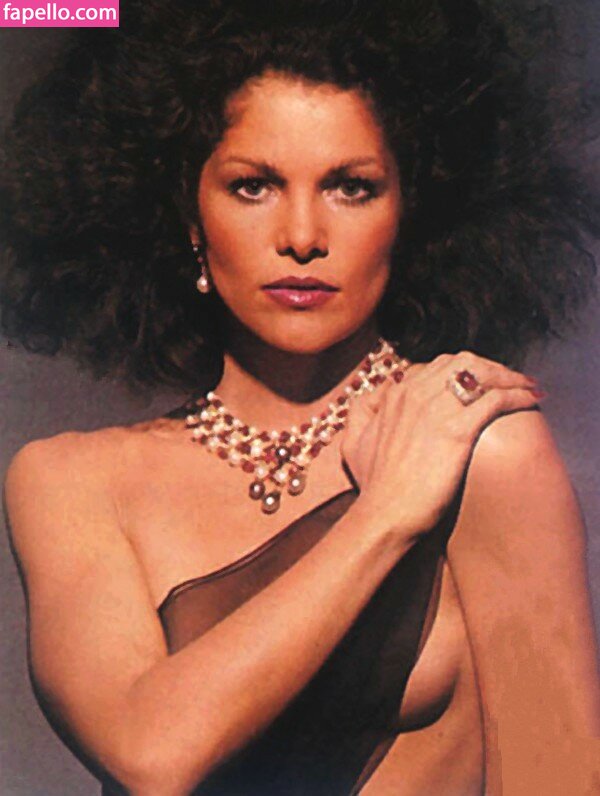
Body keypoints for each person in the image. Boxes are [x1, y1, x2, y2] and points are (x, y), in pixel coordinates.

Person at [1, 0, 599, 793]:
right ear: (188, 215)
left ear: (411, 211)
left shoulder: (478, 448)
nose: (303, 236)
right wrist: (387, 515)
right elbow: (150, 754)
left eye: (352, 187)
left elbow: (559, 778)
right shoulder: (68, 482)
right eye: (253, 186)